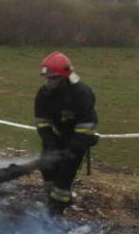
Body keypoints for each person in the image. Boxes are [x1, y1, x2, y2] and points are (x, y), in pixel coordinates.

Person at [34, 52, 99, 215]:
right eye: (47, 78)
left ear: (64, 77)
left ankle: (57, 207)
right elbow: (42, 120)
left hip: (79, 139)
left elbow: (88, 122)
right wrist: (49, 139)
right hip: (58, 137)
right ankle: (52, 196)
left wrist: (75, 146)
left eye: (53, 79)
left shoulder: (81, 93)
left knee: (65, 171)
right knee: (46, 164)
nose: (49, 82)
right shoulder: (44, 94)